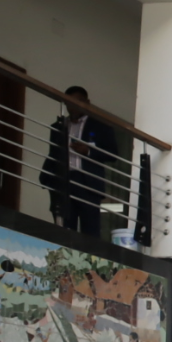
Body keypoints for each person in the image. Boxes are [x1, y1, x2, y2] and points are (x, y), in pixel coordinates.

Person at [40, 86, 116, 237]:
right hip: (63, 180)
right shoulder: (58, 127)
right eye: (70, 102)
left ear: (87, 102)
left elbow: (112, 154)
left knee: (90, 229)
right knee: (65, 228)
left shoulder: (100, 125)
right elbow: (53, 153)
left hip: (87, 181)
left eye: (79, 101)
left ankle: (92, 259)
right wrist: (47, 178)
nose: (74, 105)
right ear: (65, 104)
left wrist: (88, 151)